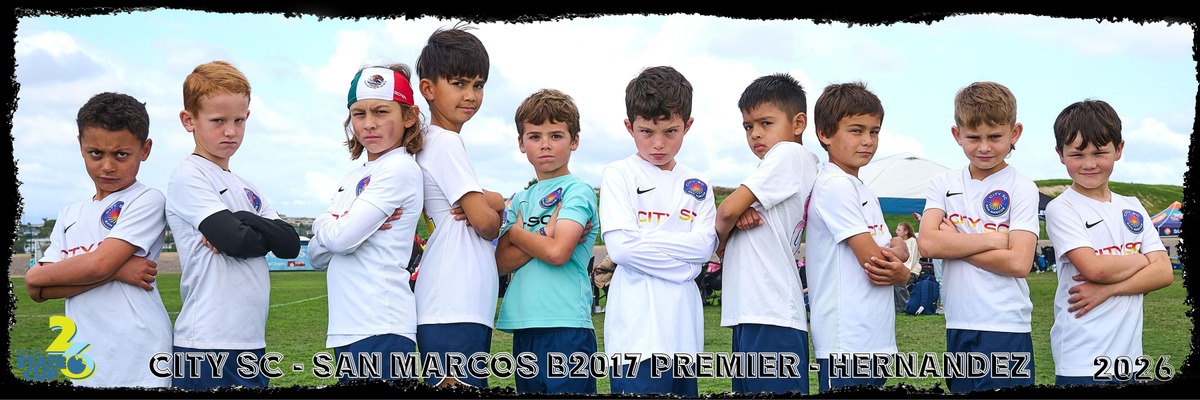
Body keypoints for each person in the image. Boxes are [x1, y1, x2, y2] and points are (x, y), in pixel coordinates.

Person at [165, 60, 301, 390]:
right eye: (218, 121)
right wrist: (251, 232)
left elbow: (289, 244)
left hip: (250, 342)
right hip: (206, 343)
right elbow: (237, 242)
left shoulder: (247, 187)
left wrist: (244, 218)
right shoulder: (189, 176)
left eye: (239, 120)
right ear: (189, 120)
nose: (231, 131)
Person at [23, 92, 172, 388]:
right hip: (85, 357)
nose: (107, 166)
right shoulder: (69, 215)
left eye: (121, 155)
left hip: (141, 353)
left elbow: (98, 264)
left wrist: (103, 268)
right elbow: (37, 288)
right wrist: (118, 271)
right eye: (96, 153)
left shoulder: (147, 200)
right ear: (80, 146)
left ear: (145, 150)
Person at [598, 65, 717, 397]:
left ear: (687, 126)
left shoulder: (699, 183)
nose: (659, 143)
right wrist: (686, 269)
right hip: (634, 340)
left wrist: (643, 237)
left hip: (683, 338)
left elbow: (704, 248)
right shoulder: (619, 174)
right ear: (629, 127)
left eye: (671, 131)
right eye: (647, 131)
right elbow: (621, 250)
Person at [917, 81, 1037, 393]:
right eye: (973, 137)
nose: (984, 147)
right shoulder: (942, 183)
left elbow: (1019, 262)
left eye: (995, 136)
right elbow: (928, 244)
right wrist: (996, 240)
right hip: (958, 324)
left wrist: (956, 242)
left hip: (1005, 325)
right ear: (957, 135)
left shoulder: (1022, 187)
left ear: (1015, 133)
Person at [306, 64, 424, 382]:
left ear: (409, 116)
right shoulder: (354, 176)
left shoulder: (399, 168)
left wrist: (326, 222)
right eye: (359, 114)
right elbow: (316, 256)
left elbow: (341, 240)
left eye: (381, 112)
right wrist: (342, 226)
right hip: (348, 328)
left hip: (382, 325)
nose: (369, 124)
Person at [1045, 99, 1173, 386]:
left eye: (1100, 153)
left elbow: (1164, 273)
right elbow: (1094, 269)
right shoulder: (1062, 208)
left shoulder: (1133, 206)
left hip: (1130, 360)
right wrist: (1142, 259)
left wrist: (1109, 290)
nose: (1089, 164)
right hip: (1082, 359)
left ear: (1119, 149)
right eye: (1077, 154)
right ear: (1060, 154)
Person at [413, 23, 505, 388]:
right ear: (428, 89)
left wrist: (488, 199)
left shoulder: (433, 141)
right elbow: (486, 224)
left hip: (454, 302)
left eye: (478, 85)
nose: (470, 95)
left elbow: (478, 207)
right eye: (459, 83)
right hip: (453, 300)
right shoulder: (446, 143)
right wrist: (496, 203)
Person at [714, 73, 818, 395]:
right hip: (756, 310)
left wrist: (725, 232)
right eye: (748, 126)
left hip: (771, 311)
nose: (755, 133)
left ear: (798, 123)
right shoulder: (785, 164)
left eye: (765, 123)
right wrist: (736, 216)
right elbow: (733, 213)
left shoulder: (789, 154)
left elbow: (725, 211)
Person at [805, 82, 909, 393]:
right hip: (846, 341)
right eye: (856, 130)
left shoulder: (861, 188)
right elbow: (876, 260)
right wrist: (903, 271)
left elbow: (896, 246)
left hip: (873, 336)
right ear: (824, 133)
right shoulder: (835, 185)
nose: (868, 141)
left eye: (874, 131)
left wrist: (898, 255)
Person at [494, 89, 599, 394]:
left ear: (574, 140)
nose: (545, 145)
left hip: (567, 325)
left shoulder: (577, 191)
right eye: (535, 136)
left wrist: (516, 234)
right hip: (524, 326)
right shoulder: (521, 198)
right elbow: (500, 263)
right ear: (521, 143)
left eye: (556, 135)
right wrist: (543, 235)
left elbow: (557, 253)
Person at [894, 221, 921, 312]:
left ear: (906, 232)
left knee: (899, 282)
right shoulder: (898, 243)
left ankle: (906, 306)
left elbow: (912, 259)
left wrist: (904, 271)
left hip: (912, 271)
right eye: (896, 230)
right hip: (899, 270)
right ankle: (897, 307)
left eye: (899, 230)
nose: (896, 232)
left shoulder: (912, 241)